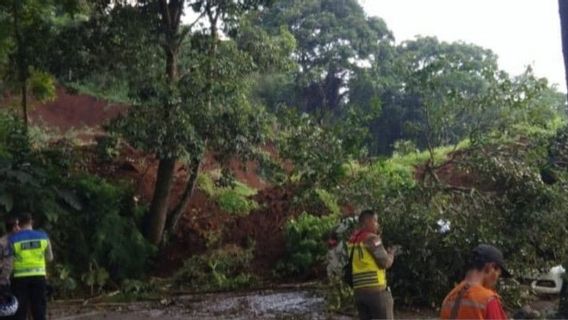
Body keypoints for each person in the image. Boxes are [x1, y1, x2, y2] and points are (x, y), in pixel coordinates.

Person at [348, 209, 397, 320]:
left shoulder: (352, 241)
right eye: (376, 221)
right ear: (368, 221)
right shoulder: (371, 238)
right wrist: (392, 253)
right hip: (376, 292)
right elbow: (385, 262)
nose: (377, 225)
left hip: (359, 293)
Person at [440, 244, 510, 320]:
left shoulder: (448, 299)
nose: (496, 281)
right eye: (498, 275)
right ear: (490, 268)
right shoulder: (488, 299)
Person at [9, 213, 53, 320]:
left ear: (18, 223)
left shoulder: (13, 239)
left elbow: (10, 261)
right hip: (39, 276)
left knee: (20, 310)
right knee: (39, 309)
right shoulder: (43, 236)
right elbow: (50, 258)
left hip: (20, 278)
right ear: (31, 222)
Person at [0, 216, 20, 288]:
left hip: (21, 277)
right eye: (16, 225)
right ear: (12, 227)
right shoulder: (2, 242)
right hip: (5, 280)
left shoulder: (22, 240)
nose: (18, 228)